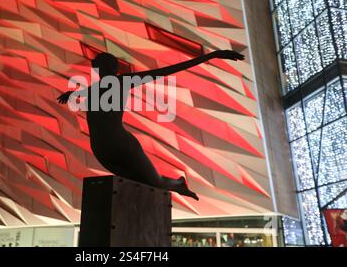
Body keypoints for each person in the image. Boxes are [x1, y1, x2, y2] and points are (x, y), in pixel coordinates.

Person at [57, 50, 244, 199]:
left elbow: (168, 70)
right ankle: (176, 186)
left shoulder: (122, 82)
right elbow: (83, 93)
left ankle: (177, 185)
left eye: (97, 64)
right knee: (140, 185)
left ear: (107, 67)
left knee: (150, 183)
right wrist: (71, 95)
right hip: (104, 149)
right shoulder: (94, 89)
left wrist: (213, 55)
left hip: (116, 146)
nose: (95, 68)